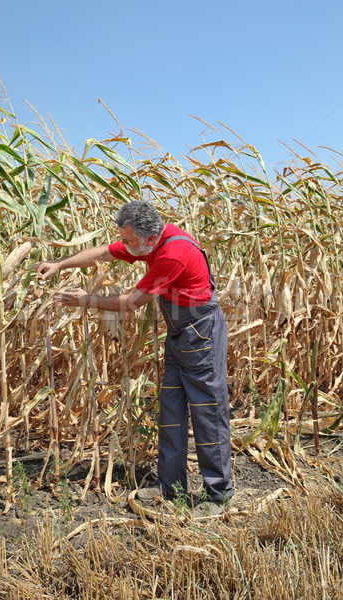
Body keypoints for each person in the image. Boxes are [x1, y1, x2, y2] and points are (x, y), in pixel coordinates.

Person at [35, 201, 233, 515]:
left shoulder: (172, 253)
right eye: (124, 239)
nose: (124, 246)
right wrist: (60, 264)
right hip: (179, 331)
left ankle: (218, 496)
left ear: (150, 238)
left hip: (201, 332)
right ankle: (171, 488)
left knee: (208, 413)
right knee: (171, 408)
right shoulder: (148, 243)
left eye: (128, 241)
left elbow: (131, 303)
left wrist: (87, 301)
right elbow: (103, 252)